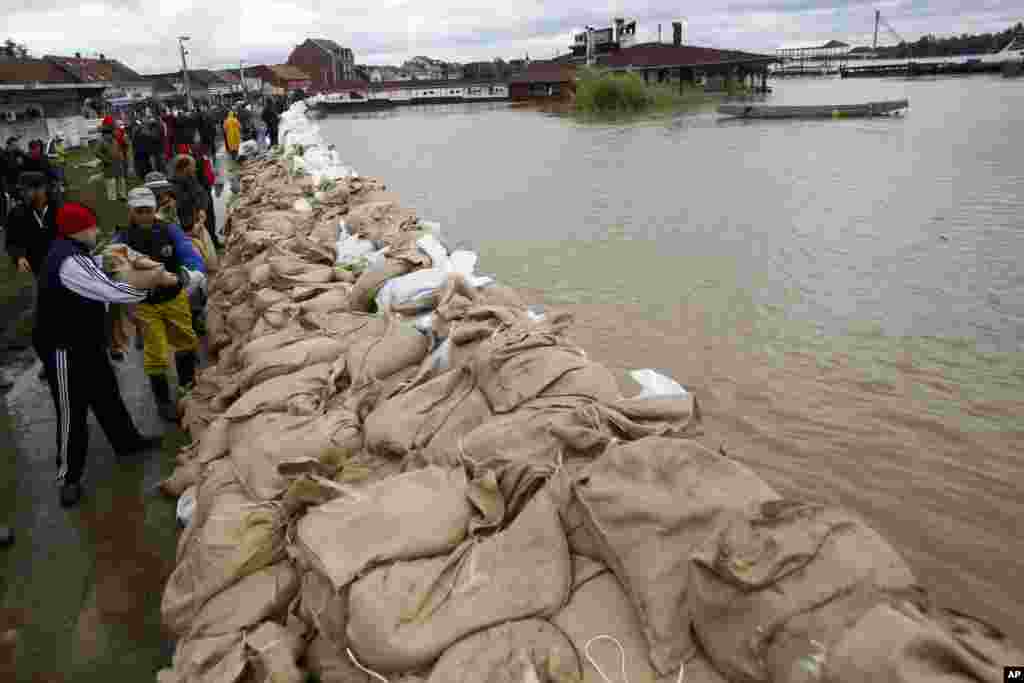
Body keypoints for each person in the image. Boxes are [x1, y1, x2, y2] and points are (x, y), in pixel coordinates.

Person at [33, 201, 164, 507]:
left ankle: (127, 442)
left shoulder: (74, 252)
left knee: (106, 394)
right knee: (72, 411)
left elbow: (99, 276)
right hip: (63, 348)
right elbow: (110, 289)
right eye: (93, 227)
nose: (97, 232)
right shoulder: (68, 262)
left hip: (86, 342)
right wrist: (157, 286)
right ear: (81, 230)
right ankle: (69, 477)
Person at [113, 187, 204, 422]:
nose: (144, 215)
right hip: (145, 304)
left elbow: (187, 252)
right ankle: (163, 401)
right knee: (156, 353)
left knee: (185, 340)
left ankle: (186, 386)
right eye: (139, 211)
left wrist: (193, 272)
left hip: (174, 297)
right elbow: (114, 268)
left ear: (154, 210)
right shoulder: (122, 239)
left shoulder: (169, 231)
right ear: (131, 212)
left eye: (148, 210)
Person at [5, 172, 58, 277]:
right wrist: (19, 257)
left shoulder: (59, 210)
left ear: (42, 189)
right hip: (35, 269)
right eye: (21, 190)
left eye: (26, 190)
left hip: (61, 264)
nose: (22, 194)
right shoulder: (16, 213)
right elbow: (11, 241)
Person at [95, 123, 128, 201]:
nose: (110, 135)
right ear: (104, 135)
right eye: (107, 134)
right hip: (109, 165)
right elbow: (96, 152)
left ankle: (122, 195)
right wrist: (106, 160)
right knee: (111, 182)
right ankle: (112, 198)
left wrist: (121, 157)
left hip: (118, 163)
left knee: (121, 180)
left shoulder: (114, 140)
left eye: (110, 134)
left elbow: (119, 149)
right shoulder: (101, 142)